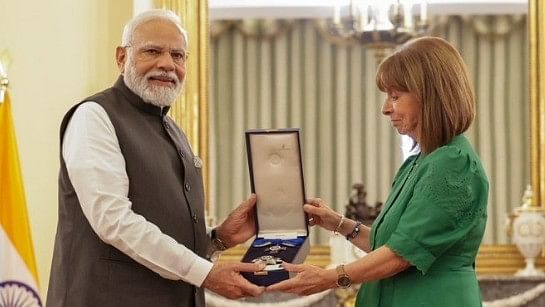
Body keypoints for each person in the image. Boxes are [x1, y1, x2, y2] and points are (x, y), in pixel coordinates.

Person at [47, 9, 265, 307]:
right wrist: (206, 274)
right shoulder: (94, 116)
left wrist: (218, 239)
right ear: (122, 58)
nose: (167, 64)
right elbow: (113, 221)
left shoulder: (174, 131)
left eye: (178, 55)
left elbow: (162, 226)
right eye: (152, 51)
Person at [268, 36, 489, 307]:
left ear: (431, 96)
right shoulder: (419, 162)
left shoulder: (453, 164)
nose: (386, 108)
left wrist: (328, 277)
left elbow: (401, 255)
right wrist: (336, 222)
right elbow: (387, 244)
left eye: (395, 96)